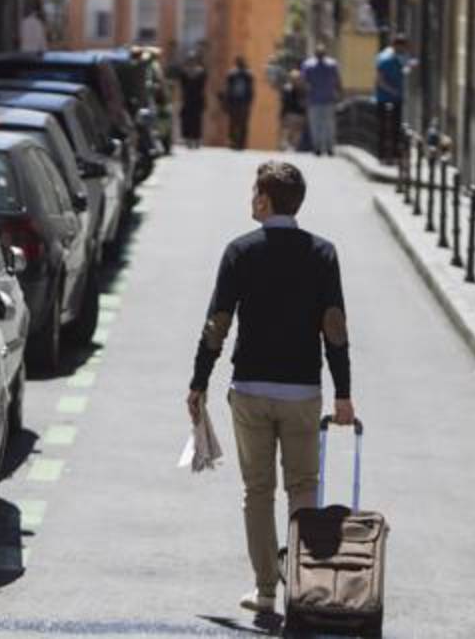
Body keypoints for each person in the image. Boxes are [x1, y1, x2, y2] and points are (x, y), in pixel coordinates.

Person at [186, 160, 356, 614]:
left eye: (253, 193)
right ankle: (301, 589)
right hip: (302, 391)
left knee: (257, 490)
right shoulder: (323, 254)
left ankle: (264, 591)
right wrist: (343, 393)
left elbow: (216, 324)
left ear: (264, 199)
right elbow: (334, 328)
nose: (250, 200)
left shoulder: (240, 251)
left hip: (251, 390)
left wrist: (198, 382)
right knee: (303, 487)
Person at [301, 44, 342, 156]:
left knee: (317, 125)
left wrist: (305, 96)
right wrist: (338, 93)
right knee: (328, 125)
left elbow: (304, 83)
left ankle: (319, 147)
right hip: (325, 99)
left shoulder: (308, 65)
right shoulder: (332, 64)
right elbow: (337, 81)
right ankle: (327, 147)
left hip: (316, 99)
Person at [375, 34, 410, 164]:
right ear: (396, 45)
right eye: (402, 46)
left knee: (395, 127)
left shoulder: (402, 57)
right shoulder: (385, 58)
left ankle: (394, 155)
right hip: (384, 97)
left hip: (396, 97)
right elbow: (379, 79)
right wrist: (392, 90)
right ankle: (382, 155)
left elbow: (405, 69)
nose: (404, 49)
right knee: (383, 127)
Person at [222, 57, 255, 150]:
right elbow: (228, 88)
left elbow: (250, 90)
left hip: (243, 102)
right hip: (234, 101)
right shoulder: (232, 74)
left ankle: (241, 143)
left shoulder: (248, 75)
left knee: (243, 123)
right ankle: (232, 142)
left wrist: (249, 102)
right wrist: (226, 101)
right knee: (233, 123)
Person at [177, 51, 207, 149]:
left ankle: (195, 139)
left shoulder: (200, 72)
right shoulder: (186, 72)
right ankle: (189, 139)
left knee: (195, 121)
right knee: (189, 120)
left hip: (194, 99)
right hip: (190, 99)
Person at [279, 70, 306, 152]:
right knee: (291, 130)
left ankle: (291, 146)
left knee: (293, 131)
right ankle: (289, 146)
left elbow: (284, 102)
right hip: (293, 113)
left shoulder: (288, 88)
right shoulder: (301, 88)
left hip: (294, 113)